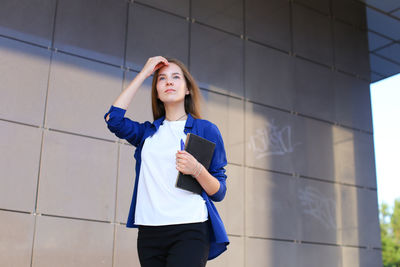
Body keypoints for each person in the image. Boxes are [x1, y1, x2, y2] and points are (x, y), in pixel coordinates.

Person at [104, 56, 229, 267]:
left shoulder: (206, 130)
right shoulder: (147, 133)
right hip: (149, 230)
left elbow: (219, 191)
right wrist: (144, 73)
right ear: (157, 91)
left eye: (175, 77)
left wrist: (196, 169)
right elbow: (113, 119)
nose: (168, 82)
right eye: (161, 78)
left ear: (188, 89)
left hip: (190, 228)